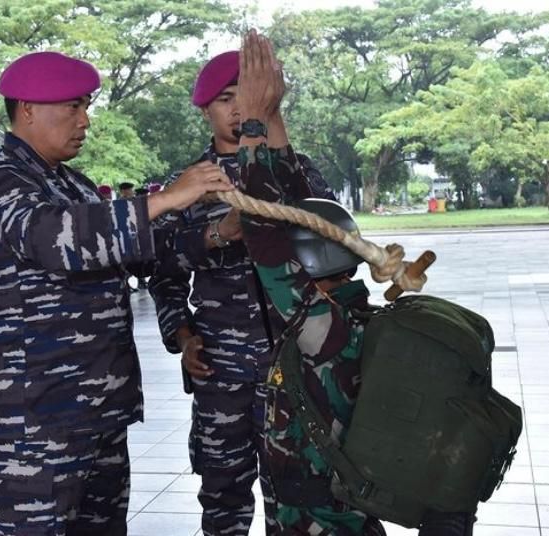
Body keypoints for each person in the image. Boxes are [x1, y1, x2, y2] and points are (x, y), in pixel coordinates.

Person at [0, 50, 233, 536]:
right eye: (73, 108)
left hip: (98, 410)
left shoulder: (78, 187)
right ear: (27, 109)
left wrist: (217, 230)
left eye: (86, 107)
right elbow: (55, 239)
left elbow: (142, 256)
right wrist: (165, 198)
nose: (85, 120)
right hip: (37, 418)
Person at [235, 30, 475, 536]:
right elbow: (304, 215)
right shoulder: (355, 318)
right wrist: (275, 119)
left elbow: (266, 237)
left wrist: (252, 126)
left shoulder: (324, 331)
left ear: (307, 274)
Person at [148, 49, 334, 536]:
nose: (237, 109)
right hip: (222, 372)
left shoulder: (295, 172)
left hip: (297, 365)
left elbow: (332, 242)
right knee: (223, 499)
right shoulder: (187, 184)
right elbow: (163, 271)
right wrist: (183, 336)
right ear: (204, 109)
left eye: (247, 98)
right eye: (226, 99)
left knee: (300, 495)